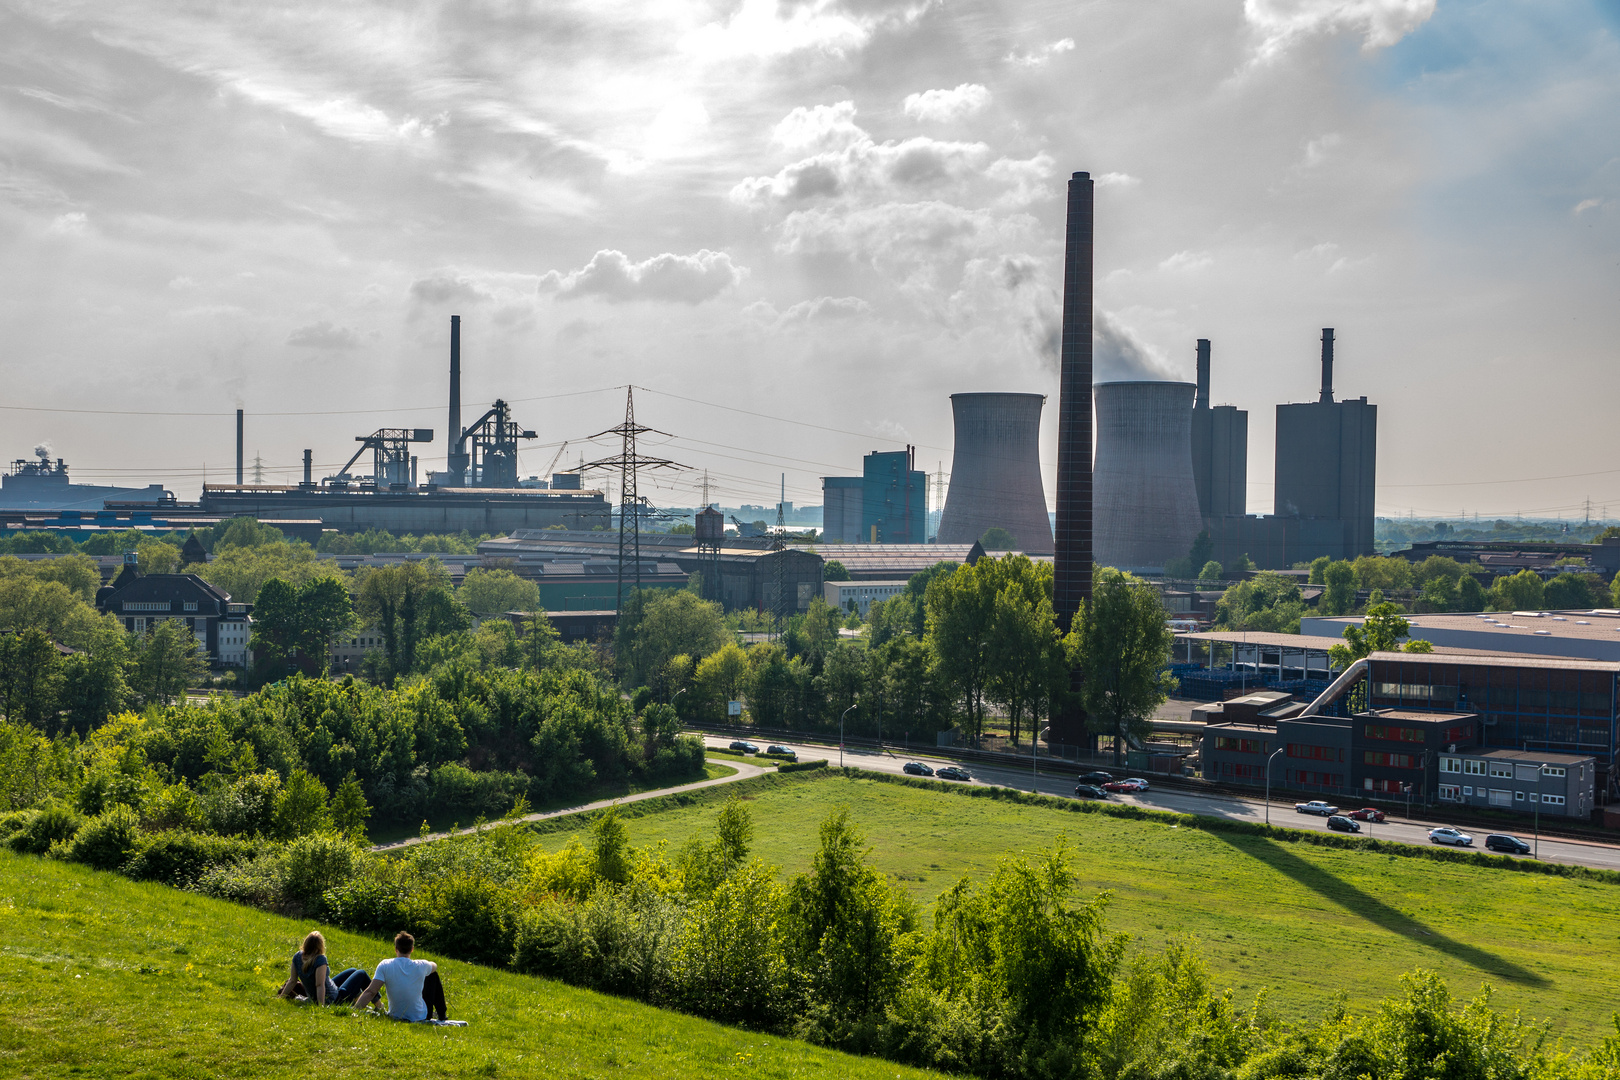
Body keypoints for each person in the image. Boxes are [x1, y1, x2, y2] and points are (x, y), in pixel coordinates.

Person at [353, 931, 447, 1022]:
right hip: (420, 1016)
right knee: (433, 974)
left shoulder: (385, 965)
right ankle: (442, 1014)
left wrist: (355, 1010)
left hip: (395, 1015)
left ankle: (441, 1014)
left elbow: (371, 992)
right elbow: (435, 966)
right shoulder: (421, 965)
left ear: (396, 949)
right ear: (412, 949)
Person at [278, 931, 371, 1006]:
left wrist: (281, 997)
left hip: (325, 991)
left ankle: (357, 998)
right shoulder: (320, 959)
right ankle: (378, 1005)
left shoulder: (297, 956)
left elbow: (292, 981)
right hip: (334, 999)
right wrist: (321, 1006)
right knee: (361, 973)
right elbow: (319, 985)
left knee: (352, 970)